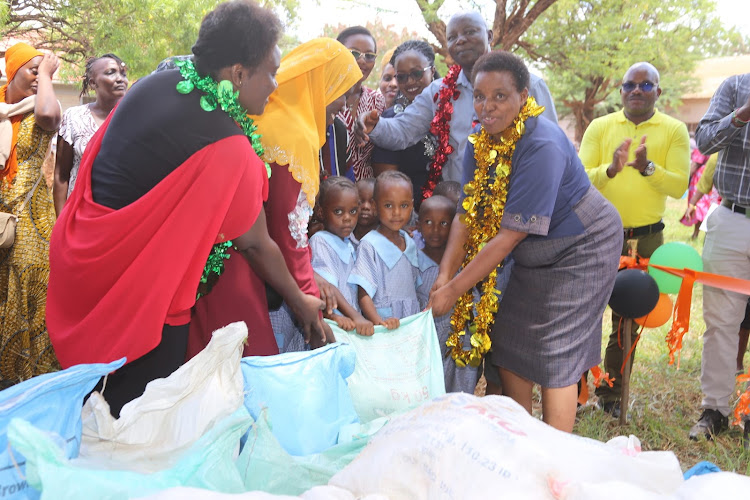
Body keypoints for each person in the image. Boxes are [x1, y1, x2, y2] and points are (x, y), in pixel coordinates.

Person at [47, 0, 327, 417]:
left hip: (82, 270)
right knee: (140, 431)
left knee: (92, 418)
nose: (275, 84)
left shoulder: (150, 86)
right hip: (139, 310)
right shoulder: (231, 148)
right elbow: (254, 243)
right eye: (271, 71)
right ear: (237, 73)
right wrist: (300, 301)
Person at [428, 52, 621, 432]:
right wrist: (444, 272)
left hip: (582, 246)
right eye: (480, 96)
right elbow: (467, 213)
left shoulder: (542, 144)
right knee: (509, 342)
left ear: (524, 95)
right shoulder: (480, 141)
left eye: (500, 96)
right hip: (531, 254)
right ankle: (519, 441)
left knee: (555, 354)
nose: (487, 106)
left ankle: (552, 454)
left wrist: (453, 290)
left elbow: (508, 237)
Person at [191, 37, 362, 357]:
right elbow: (289, 232)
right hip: (238, 267)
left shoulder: (264, 116)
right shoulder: (292, 134)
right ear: (320, 87)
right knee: (245, 371)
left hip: (219, 258)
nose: (337, 113)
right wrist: (311, 305)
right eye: (339, 100)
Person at [579, 62, 690, 417]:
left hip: (646, 239)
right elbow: (580, 179)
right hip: (598, 234)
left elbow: (678, 185)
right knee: (585, 313)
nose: (637, 90)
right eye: (630, 85)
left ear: (658, 91)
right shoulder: (601, 126)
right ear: (621, 91)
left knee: (627, 318)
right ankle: (576, 391)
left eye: (646, 85)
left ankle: (612, 393)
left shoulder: (674, 130)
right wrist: (611, 169)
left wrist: (647, 168)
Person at [358, 11, 557, 187]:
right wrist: (375, 126)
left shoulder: (529, 86)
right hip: (460, 210)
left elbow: (550, 153)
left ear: (489, 36)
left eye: (469, 32)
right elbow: (403, 131)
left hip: (515, 205)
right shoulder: (438, 92)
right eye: (452, 37)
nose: (460, 40)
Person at [691, 71, 750, 448]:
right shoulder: (735, 86)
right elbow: (705, 140)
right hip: (732, 219)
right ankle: (715, 409)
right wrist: (742, 115)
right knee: (721, 323)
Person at [0, 42, 61, 384]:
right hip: (0, 219)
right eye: (32, 70)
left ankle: (34, 382)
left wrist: (48, 77)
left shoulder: (41, 108)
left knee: (30, 298)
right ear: (13, 71)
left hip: (31, 225)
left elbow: (51, 118)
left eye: (45, 71)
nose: (39, 77)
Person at [53, 54, 128, 215]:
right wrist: (61, 223)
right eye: (111, 72)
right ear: (93, 82)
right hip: (79, 214)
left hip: (119, 214)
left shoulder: (136, 118)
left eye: (123, 73)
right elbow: (61, 176)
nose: (120, 79)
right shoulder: (74, 118)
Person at [349, 171, 420, 329]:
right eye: (388, 205)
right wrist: (379, 322)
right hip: (384, 325)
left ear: (412, 206)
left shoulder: (410, 243)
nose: (396, 213)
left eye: (404, 205)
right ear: (375, 206)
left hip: (410, 323)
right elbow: (364, 294)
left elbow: (416, 288)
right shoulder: (369, 245)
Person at [372, 40, 437, 205]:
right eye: (401, 77)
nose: (409, 82)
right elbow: (387, 186)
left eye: (416, 74)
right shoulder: (389, 122)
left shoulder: (451, 109)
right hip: (409, 216)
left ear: (433, 71)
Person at [310, 176, 374, 336]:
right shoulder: (321, 241)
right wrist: (334, 316)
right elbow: (325, 288)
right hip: (333, 324)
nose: (347, 218)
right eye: (338, 211)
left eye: (353, 211)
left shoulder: (350, 243)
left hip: (351, 325)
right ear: (320, 211)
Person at [336, 26, 386, 180]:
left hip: (367, 193)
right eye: (354, 53)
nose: (362, 60)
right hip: (332, 190)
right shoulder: (326, 98)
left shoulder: (377, 100)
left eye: (369, 55)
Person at [351, 177, 376, 248]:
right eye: (360, 202)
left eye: (372, 202)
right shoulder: (342, 235)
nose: (365, 207)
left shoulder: (387, 239)